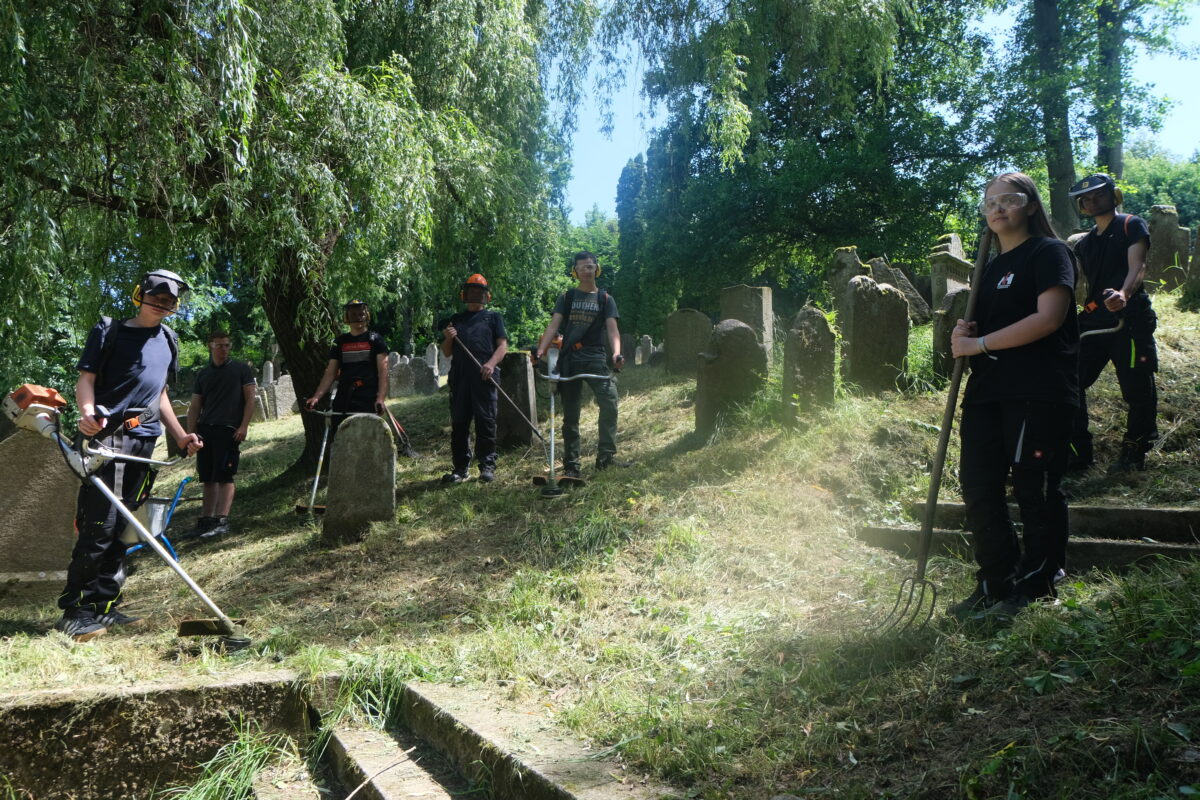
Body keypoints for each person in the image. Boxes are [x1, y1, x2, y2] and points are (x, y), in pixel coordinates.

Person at [948, 173, 1079, 621]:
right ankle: (995, 581)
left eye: (1010, 199)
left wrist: (979, 345)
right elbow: (987, 330)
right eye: (990, 203)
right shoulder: (988, 269)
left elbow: (1048, 319)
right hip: (987, 391)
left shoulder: (1050, 253)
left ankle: (1039, 582)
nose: (998, 208)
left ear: (1030, 205)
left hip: (1037, 390)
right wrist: (967, 333)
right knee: (979, 486)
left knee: (1034, 487)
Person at [60, 270, 203, 641]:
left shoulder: (169, 340)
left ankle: (104, 607)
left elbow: (160, 395)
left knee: (124, 529)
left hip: (145, 444)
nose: (162, 303)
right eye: (156, 296)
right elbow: (86, 378)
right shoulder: (109, 331)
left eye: (170, 300)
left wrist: (181, 434)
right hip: (108, 440)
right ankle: (75, 612)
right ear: (140, 294)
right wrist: (88, 412)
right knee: (99, 525)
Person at [1066, 173, 1157, 473]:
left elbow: (1138, 266)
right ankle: (1077, 453)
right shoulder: (1084, 244)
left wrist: (1124, 294)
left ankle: (1135, 452)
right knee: (1071, 382)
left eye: (1098, 195)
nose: (1092, 202)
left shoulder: (1132, 224)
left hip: (1129, 321)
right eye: (1086, 199)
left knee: (1136, 389)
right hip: (1093, 322)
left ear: (1113, 195)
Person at [534, 251, 624, 478]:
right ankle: (571, 465)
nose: (587, 269)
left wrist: (617, 354)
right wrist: (541, 350)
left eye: (591, 266)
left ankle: (605, 457)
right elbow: (554, 326)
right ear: (575, 272)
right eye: (582, 267)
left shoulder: (605, 299)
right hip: (570, 360)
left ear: (597, 269)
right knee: (571, 414)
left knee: (610, 402)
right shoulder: (567, 297)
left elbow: (613, 329)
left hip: (595, 358)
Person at [185, 331, 257, 540]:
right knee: (207, 477)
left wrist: (243, 426)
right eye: (219, 345)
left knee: (225, 476)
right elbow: (195, 405)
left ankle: (221, 520)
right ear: (210, 346)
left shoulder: (241, 369)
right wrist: (191, 433)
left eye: (227, 345)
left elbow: (250, 399)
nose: (223, 349)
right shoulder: (203, 374)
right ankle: (206, 520)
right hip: (206, 430)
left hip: (229, 430)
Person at [440, 274, 509, 483]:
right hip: (460, 378)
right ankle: (460, 468)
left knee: (485, 422)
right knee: (459, 423)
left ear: (486, 295)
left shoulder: (493, 318)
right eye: (471, 291)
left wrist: (491, 363)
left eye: (479, 291)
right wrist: (448, 337)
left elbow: (502, 346)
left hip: (485, 377)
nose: (475, 295)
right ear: (465, 294)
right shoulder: (456, 320)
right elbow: (446, 352)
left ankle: (487, 466)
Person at [304, 300, 389, 428]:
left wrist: (380, 399)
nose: (358, 318)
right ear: (347, 318)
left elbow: (383, 372)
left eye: (361, 314)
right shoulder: (340, 342)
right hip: (344, 399)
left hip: (368, 398)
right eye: (353, 314)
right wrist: (316, 397)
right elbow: (330, 374)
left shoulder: (376, 340)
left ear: (367, 315)